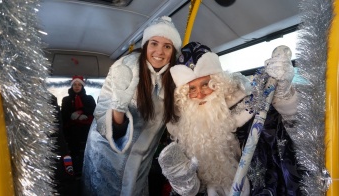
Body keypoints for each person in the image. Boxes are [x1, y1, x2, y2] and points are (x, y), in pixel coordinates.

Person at [158, 42, 302, 195]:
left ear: (219, 83)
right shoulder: (183, 131)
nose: (200, 94)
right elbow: (193, 191)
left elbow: (294, 135)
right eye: (192, 88)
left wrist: (284, 96)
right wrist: (185, 184)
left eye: (206, 84)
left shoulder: (250, 109)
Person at [82, 16, 181, 195]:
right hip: (107, 156)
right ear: (145, 45)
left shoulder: (173, 80)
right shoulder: (125, 68)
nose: (159, 51)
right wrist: (119, 108)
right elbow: (102, 122)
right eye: (154, 43)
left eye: (167, 46)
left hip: (141, 161)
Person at [61, 75, 96, 178]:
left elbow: (95, 111)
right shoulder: (66, 99)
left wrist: (83, 112)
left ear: (82, 86)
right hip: (71, 128)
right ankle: (74, 169)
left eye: (79, 84)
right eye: (75, 84)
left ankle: (85, 169)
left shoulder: (89, 98)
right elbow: (64, 114)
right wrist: (72, 116)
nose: (77, 87)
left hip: (86, 127)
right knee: (74, 138)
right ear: (72, 86)